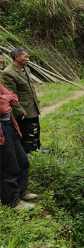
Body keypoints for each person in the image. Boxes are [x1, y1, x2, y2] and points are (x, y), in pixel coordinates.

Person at [0, 57, 38, 210]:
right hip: (1, 131)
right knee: (8, 167)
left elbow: (13, 96)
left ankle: (21, 192)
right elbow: (3, 107)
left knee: (23, 161)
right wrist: (6, 100)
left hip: (9, 125)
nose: (1, 65)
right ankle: (11, 201)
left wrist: (6, 99)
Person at [1, 47, 42, 154]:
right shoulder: (8, 73)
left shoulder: (26, 69)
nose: (28, 59)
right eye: (26, 57)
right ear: (17, 57)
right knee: (26, 131)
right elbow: (11, 95)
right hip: (22, 109)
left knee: (36, 128)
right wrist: (19, 110)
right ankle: (28, 153)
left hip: (32, 106)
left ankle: (37, 149)